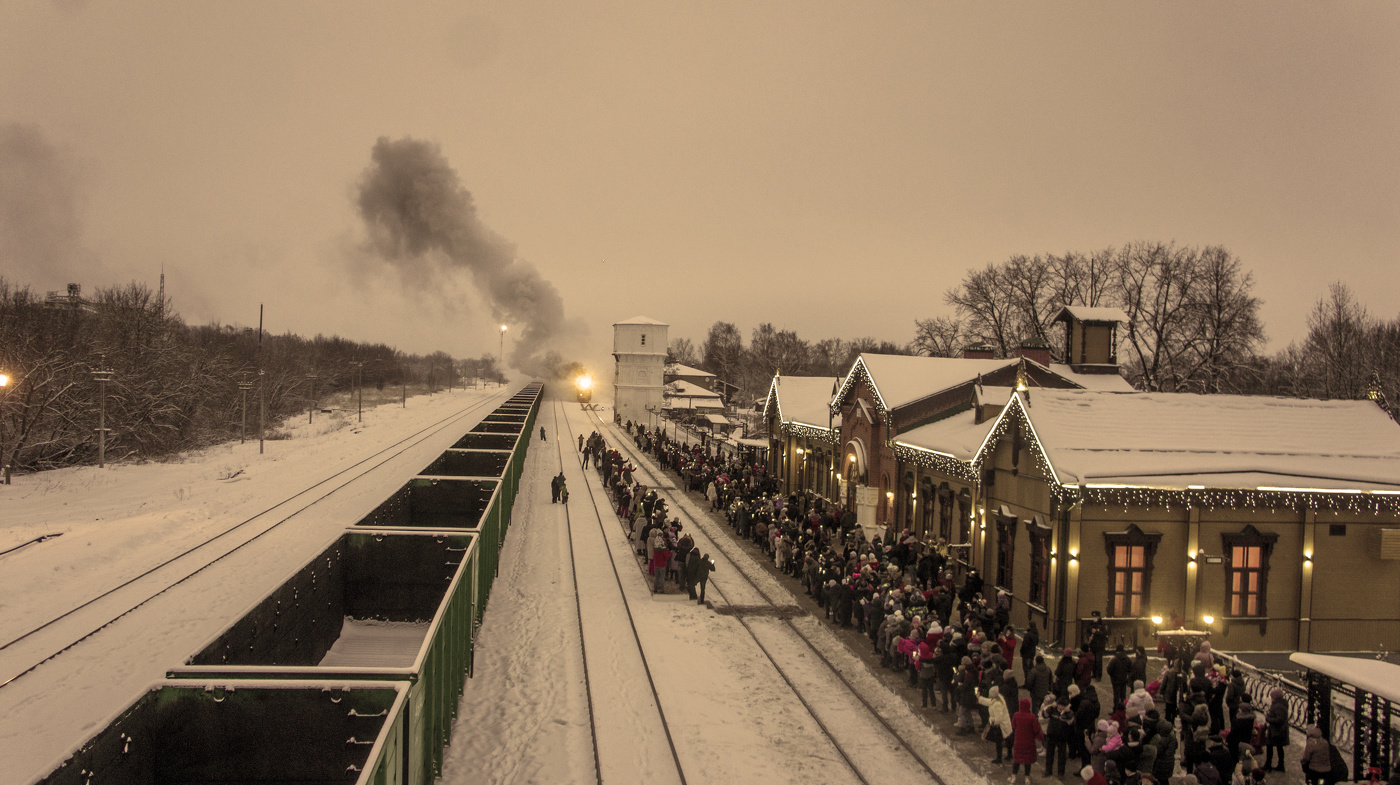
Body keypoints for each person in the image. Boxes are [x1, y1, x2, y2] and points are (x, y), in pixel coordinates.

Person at [1011, 696, 1044, 780]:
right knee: (1027, 761)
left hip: (1018, 742)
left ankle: (1013, 776)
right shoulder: (1032, 717)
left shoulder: (1016, 715)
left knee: (1017, 759)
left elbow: (1014, 725)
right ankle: (1027, 777)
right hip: (1029, 743)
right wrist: (1040, 737)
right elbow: (1036, 729)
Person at [1263, 688, 1289, 771]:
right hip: (1279, 730)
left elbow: (1279, 719)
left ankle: (1268, 765)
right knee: (1279, 747)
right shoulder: (1280, 704)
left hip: (1276, 731)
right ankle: (1280, 765)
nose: (1271, 698)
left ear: (1275, 697)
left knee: (1270, 746)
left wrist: (1268, 718)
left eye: (1272, 696)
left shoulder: (1278, 706)